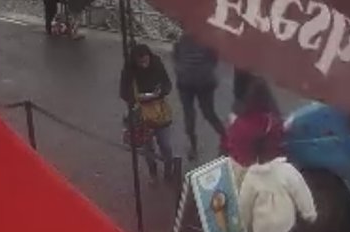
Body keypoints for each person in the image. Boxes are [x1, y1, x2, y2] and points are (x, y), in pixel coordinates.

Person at [238, 118, 317, 232]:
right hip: (285, 224)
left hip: (263, 230)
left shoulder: (251, 178)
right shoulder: (287, 171)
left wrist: (245, 226)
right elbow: (301, 191)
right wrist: (309, 212)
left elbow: (245, 204)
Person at [119, 43, 179, 185]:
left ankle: (168, 171)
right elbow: (123, 92)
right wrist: (138, 98)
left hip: (159, 112)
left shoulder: (156, 64)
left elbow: (167, 84)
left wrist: (160, 92)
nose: (144, 64)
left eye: (146, 60)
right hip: (141, 115)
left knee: (165, 144)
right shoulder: (129, 71)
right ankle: (153, 172)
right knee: (148, 147)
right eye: (141, 62)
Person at [172, 29, 225, 160]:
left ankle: (194, 146)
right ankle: (225, 140)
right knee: (206, 113)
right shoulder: (203, 40)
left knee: (195, 114)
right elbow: (214, 59)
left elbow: (175, 57)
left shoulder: (182, 40)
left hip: (193, 82)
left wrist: (181, 70)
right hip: (197, 82)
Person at [223, 78, 283, 192]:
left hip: (238, 166)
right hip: (261, 170)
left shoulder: (239, 119)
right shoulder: (270, 121)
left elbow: (227, 143)